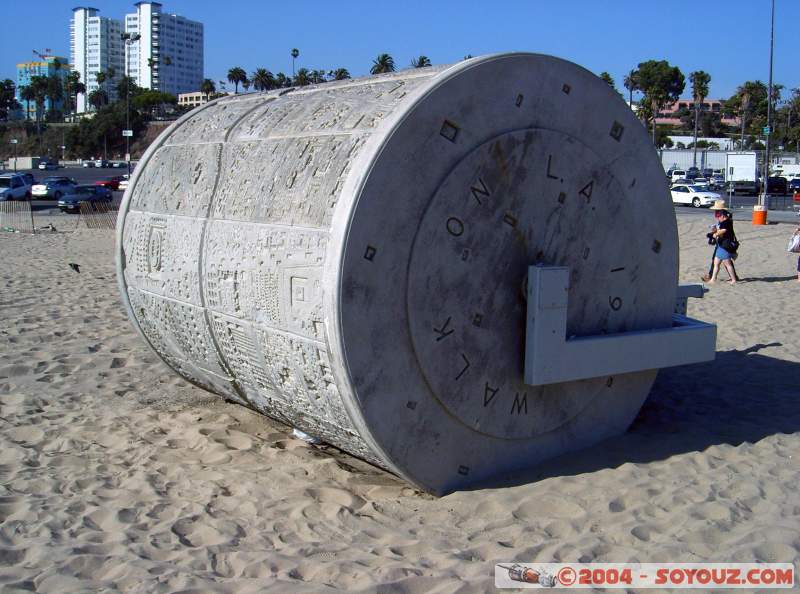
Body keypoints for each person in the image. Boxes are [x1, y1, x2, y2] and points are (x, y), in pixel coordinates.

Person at [706, 200, 739, 284]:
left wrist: (715, 234)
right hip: (721, 245)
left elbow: (723, 230)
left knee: (727, 264)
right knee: (716, 262)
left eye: (718, 214)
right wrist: (714, 231)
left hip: (725, 245)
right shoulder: (723, 221)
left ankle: (734, 279)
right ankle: (713, 279)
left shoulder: (727, 221)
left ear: (722, 213)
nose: (716, 216)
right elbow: (720, 229)